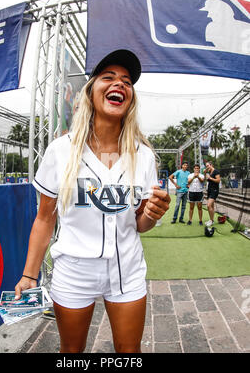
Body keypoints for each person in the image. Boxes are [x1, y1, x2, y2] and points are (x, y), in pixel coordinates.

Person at [14, 49, 171, 353]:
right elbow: (45, 219)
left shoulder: (145, 155)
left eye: (126, 81)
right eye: (108, 77)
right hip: (74, 269)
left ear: (131, 98)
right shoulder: (61, 150)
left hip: (127, 268)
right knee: (71, 353)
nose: (119, 84)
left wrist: (153, 213)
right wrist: (28, 275)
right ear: (91, 91)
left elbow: (140, 224)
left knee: (130, 352)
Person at [204, 161, 221, 226]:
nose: (207, 167)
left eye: (208, 166)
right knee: (212, 206)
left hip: (214, 190)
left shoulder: (216, 171)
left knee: (208, 205)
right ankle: (212, 220)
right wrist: (205, 173)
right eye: (206, 166)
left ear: (211, 165)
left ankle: (211, 220)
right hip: (210, 190)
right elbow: (206, 180)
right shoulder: (209, 172)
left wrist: (210, 178)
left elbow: (218, 180)